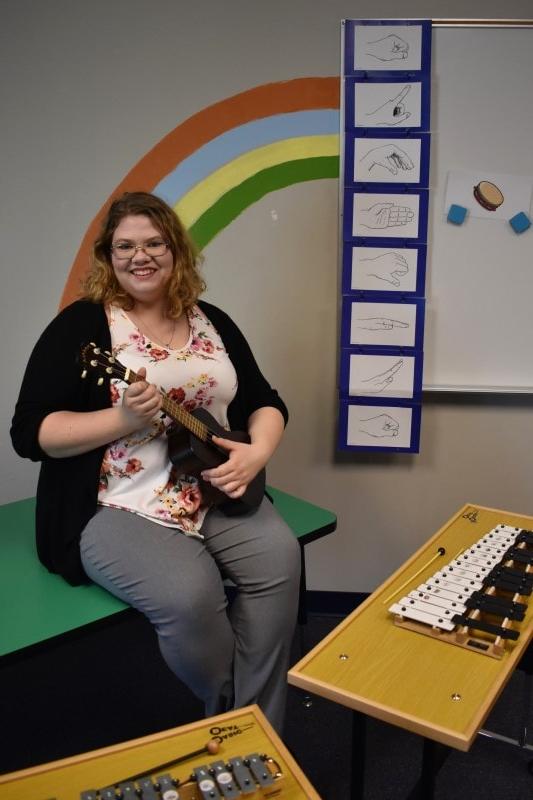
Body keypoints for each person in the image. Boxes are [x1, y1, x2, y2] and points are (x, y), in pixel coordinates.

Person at [11, 191, 300, 733]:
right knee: (191, 596)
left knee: (281, 561)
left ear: (176, 252)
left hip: (211, 485)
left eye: (153, 243)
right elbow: (29, 432)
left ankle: (259, 736)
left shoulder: (211, 320)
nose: (139, 256)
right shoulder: (82, 328)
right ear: (108, 256)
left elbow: (265, 400)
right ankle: (238, 717)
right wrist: (121, 421)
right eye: (125, 245)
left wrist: (256, 452)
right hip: (115, 504)